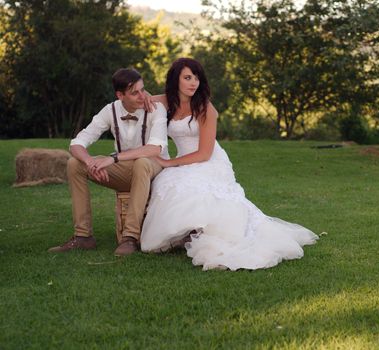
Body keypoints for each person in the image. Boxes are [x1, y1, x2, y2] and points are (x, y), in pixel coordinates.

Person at [140, 58, 318, 270]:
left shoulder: (205, 107)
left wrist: (170, 163)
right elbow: (141, 98)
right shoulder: (166, 101)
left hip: (208, 160)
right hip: (183, 160)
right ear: (175, 80)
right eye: (187, 77)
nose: (193, 83)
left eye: (197, 78)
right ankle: (185, 233)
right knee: (168, 184)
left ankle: (202, 232)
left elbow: (204, 153)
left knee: (192, 187)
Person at [48, 68, 169, 256]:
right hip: (126, 170)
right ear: (120, 95)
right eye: (134, 92)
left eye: (142, 90)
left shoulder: (156, 109)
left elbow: (155, 148)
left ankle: (130, 237)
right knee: (74, 163)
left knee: (142, 162)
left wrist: (112, 158)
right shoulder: (110, 110)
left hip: (155, 167)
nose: (142, 96)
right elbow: (77, 143)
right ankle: (83, 236)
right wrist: (89, 162)